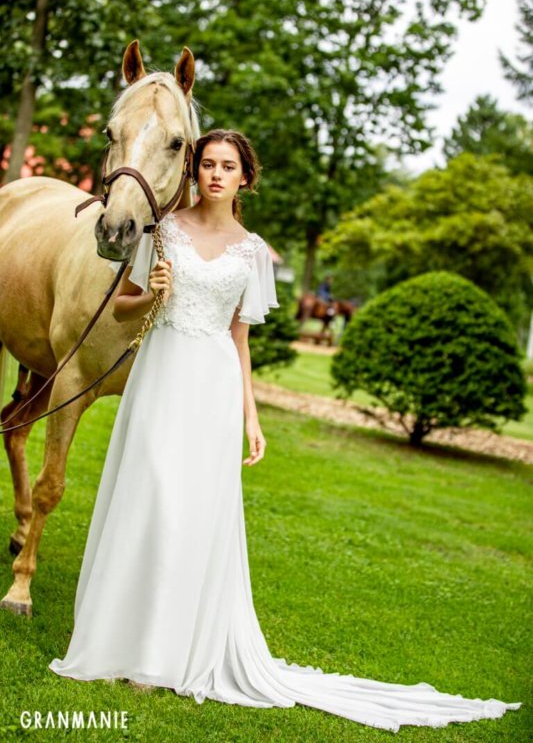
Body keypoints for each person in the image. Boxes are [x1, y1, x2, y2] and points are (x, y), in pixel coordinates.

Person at [48, 129, 521, 733]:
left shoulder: (252, 252)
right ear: (195, 171)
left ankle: (163, 654)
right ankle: (121, 638)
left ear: (245, 178)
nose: (215, 174)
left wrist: (251, 415)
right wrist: (151, 296)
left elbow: (239, 339)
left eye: (228, 166)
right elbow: (123, 305)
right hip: (161, 377)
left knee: (192, 515)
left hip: (213, 386)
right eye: (207, 164)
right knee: (150, 501)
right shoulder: (162, 231)